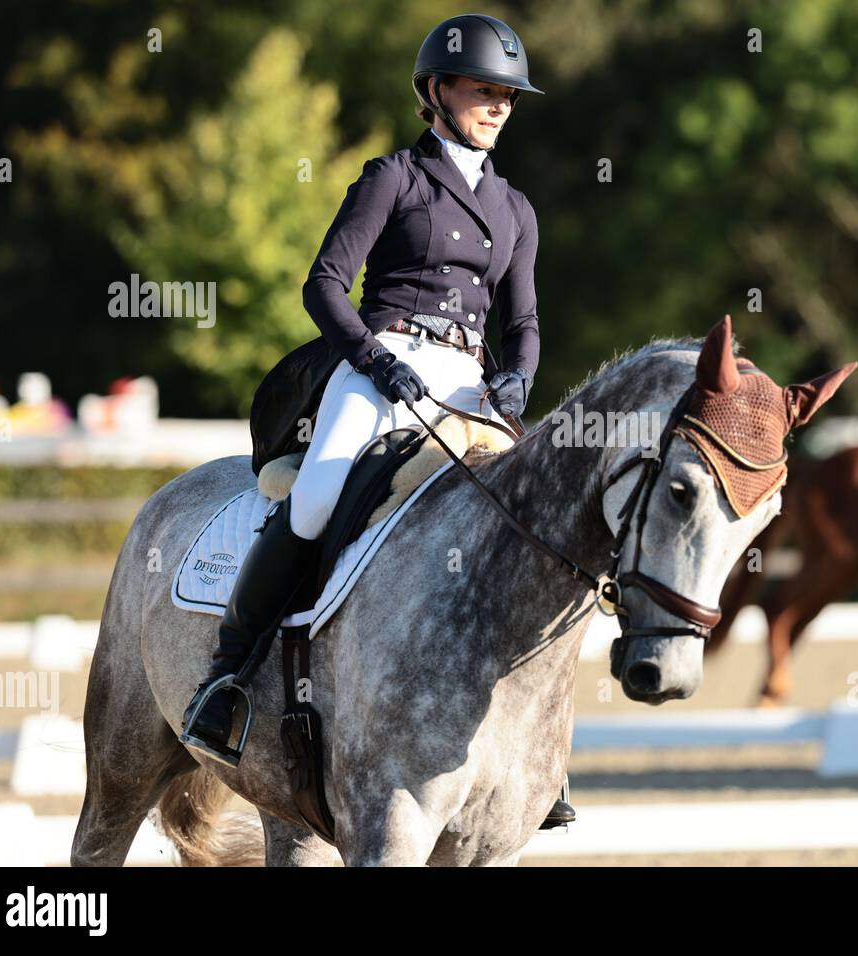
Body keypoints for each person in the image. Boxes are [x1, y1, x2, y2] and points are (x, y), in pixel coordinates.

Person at [180, 13, 575, 828]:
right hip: (380, 363)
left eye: (506, 94)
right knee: (319, 496)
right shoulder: (393, 177)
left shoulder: (516, 206)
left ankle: (542, 756)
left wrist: (518, 383)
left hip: (470, 384)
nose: (498, 105)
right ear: (436, 93)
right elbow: (324, 284)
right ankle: (226, 678)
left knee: (540, 520)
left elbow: (525, 323)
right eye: (482, 90)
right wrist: (371, 357)